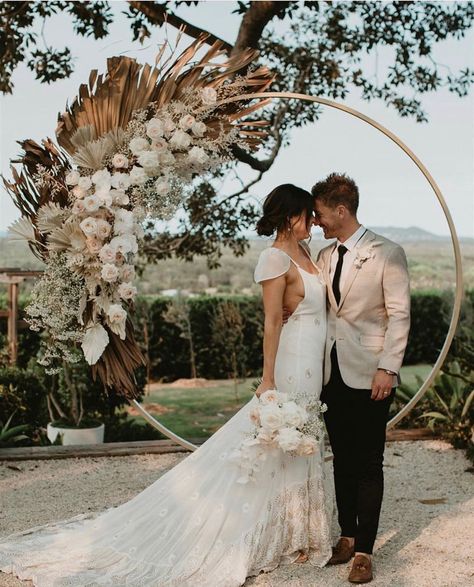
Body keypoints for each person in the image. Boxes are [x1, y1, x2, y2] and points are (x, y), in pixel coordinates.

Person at [0, 183, 334, 587]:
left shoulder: (310, 255)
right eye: (306, 215)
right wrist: (268, 378)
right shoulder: (275, 259)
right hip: (291, 364)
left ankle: (295, 533)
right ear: (288, 215)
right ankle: (257, 532)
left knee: (298, 441)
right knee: (272, 442)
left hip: (315, 366)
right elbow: (271, 322)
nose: (313, 222)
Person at [313, 173, 411, 584]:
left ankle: (366, 553)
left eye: (320, 214)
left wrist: (388, 368)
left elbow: (400, 314)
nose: (316, 222)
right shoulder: (322, 256)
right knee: (342, 460)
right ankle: (347, 536)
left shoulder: (387, 252)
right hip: (329, 372)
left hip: (371, 372)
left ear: (341, 210)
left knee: (369, 462)